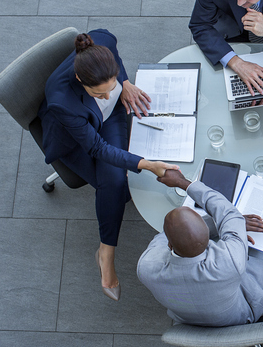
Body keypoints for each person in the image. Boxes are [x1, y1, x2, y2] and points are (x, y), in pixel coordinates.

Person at [38, 29, 179, 301]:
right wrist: (147, 165)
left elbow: (113, 55)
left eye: (110, 87)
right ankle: (106, 253)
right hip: (75, 139)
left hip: (109, 118)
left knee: (119, 185)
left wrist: (123, 84)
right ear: (81, 80)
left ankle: (105, 248)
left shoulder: (102, 42)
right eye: (99, 93)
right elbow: (96, 148)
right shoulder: (62, 101)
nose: (106, 96)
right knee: (115, 184)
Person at [137, 170, 263, 326]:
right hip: (240, 315)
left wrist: (229, 226)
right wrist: (183, 182)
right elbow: (229, 213)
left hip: (187, 320)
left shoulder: (145, 267)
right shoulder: (229, 261)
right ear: (208, 237)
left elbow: (166, 235)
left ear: (169, 245)